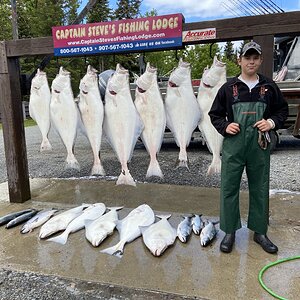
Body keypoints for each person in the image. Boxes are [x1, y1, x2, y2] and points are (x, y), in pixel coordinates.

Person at [209, 41, 288, 254]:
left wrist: (271, 123)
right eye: (247, 57)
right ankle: (229, 230)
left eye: (255, 58)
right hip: (234, 147)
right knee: (229, 188)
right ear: (239, 60)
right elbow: (214, 115)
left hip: (259, 146)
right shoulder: (228, 88)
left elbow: (282, 111)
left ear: (260, 60)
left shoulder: (270, 87)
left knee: (260, 188)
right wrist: (226, 126)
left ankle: (259, 232)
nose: (251, 61)